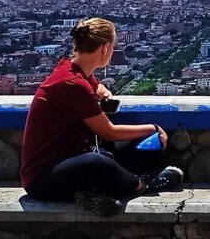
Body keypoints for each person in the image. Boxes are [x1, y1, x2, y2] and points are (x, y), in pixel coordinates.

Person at [20, 17, 183, 217]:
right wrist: (154, 128)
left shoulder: (71, 69)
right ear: (105, 49)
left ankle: (93, 192)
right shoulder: (72, 84)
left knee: (145, 146)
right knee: (97, 162)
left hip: (69, 163)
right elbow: (109, 132)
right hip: (42, 179)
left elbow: (94, 84)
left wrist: (102, 91)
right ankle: (142, 184)